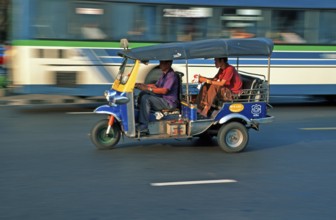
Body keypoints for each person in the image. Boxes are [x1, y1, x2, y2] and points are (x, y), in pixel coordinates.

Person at [135, 60, 179, 135]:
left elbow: (164, 91)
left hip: (168, 102)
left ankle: (144, 126)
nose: (160, 64)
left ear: (168, 64)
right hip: (163, 99)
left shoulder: (171, 76)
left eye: (162, 63)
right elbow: (156, 86)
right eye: (160, 62)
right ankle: (141, 116)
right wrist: (142, 85)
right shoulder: (164, 75)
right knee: (143, 93)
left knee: (146, 98)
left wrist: (149, 89)